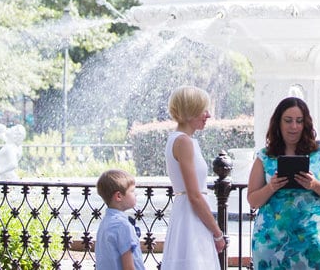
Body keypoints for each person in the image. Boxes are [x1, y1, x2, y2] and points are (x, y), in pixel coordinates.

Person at [247, 96, 320, 269]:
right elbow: (253, 201)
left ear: (305, 124)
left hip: (314, 240)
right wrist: (271, 187)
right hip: (272, 243)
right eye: (288, 120)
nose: (294, 126)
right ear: (278, 123)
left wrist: (315, 184)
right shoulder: (264, 156)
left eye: (299, 121)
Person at [160, 86, 226, 270]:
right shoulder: (183, 142)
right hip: (191, 219)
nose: (208, 115)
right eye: (203, 110)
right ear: (190, 111)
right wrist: (217, 233)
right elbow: (195, 196)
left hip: (187, 216)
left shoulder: (178, 140)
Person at [95, 168, 145, 270]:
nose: (135, 194)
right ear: (118, 196)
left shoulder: (105, 222)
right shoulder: (123, 225)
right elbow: (129, 266)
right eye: (132, 191)